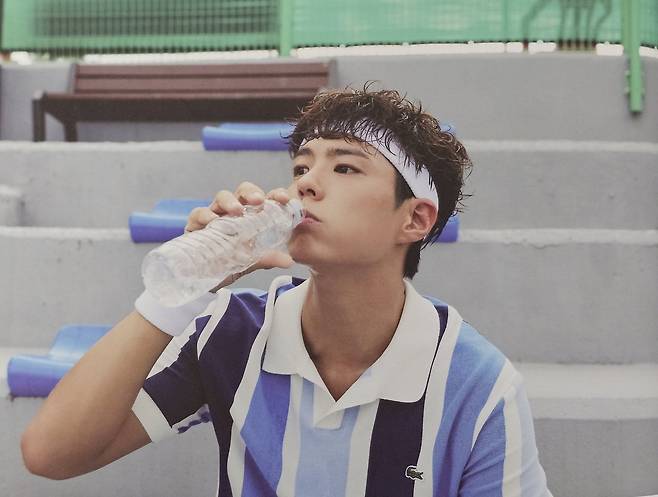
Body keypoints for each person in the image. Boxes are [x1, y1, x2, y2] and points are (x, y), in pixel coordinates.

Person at [21, 86, 553, 496]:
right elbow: (51, 454)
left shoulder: (477, 385)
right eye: (301, 166)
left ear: (414, 219)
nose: (306, 183)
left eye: (345, 166)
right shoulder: (234, 332)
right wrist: (178, 294)